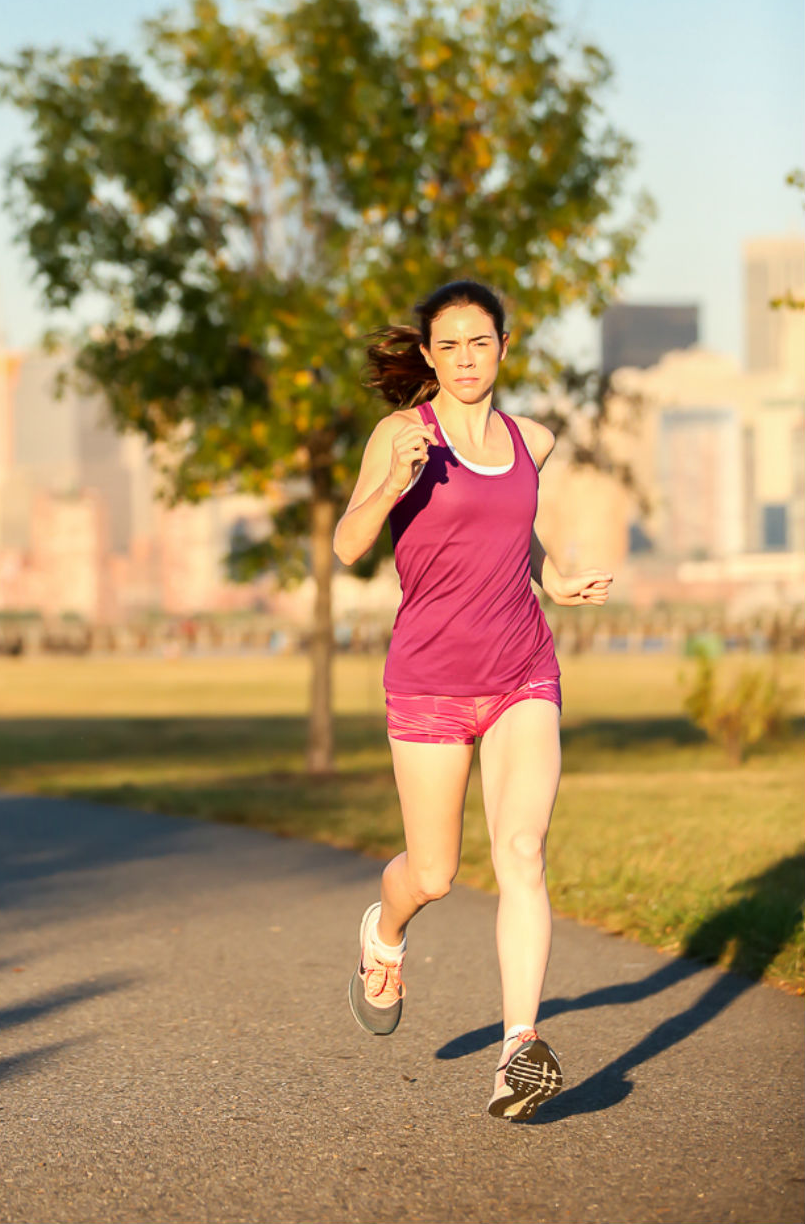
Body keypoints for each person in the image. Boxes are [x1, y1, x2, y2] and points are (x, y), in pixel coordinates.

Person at [332, 279, 612, 1122]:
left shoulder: (534, 437)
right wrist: (390, 487)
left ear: (502, 346)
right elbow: (348, 545)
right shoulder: (400, 434)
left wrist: (552, 576)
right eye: (448, 345)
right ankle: (384, 932)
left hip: (523, 669)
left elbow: (506, 522)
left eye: (479, 342)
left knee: (522, 850)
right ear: (427, 354)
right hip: (428, 681)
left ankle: (518, 1049)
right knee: (435, 872)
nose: (464, 359)